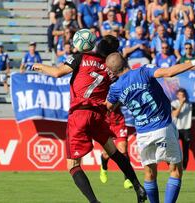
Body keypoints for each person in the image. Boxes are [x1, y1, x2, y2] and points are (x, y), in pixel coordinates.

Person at [32, 35, 146, 203]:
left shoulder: (80, 57)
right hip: (98, 116)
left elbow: (57, 73)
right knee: (114, 152)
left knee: (73, 165)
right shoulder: (110, 68)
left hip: (79, 114)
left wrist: (39, 66)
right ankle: (137, 186)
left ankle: (94, 202)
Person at [105, 51, 195, 203]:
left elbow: (108, 106)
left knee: (149, 173)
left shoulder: (115, 88)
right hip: (162, 127)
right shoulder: (143, 70)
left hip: (142, 134)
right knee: (175, 171)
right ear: (125, 60)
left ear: (112, 71)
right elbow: (169, 72)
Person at [99, 108, 133, 189]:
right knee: (106, 154)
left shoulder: (116, 95)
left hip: (119, 123)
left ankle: (127, 178)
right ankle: (104, 168)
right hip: (105, 124)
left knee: (123, 150)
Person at [171, 88, 192, 170]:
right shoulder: (174, 103)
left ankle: (184, 168)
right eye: (180, 95)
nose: (182, 97)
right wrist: (181, 104)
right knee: (175, 148)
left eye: (183, 95)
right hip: (176, 128)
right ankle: (174, 166)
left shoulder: (189, 104)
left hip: (186, 129)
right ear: (177, 95)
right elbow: (175, 114)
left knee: (186, 150)